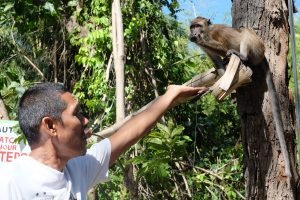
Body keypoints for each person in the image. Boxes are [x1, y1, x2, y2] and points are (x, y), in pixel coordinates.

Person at [0, 82, 207, 200]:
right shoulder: (10, 182)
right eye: (77, 114)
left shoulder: (77, 169)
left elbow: (129, 133)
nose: (85, 120)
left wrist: (169, 97)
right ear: (51, 126)